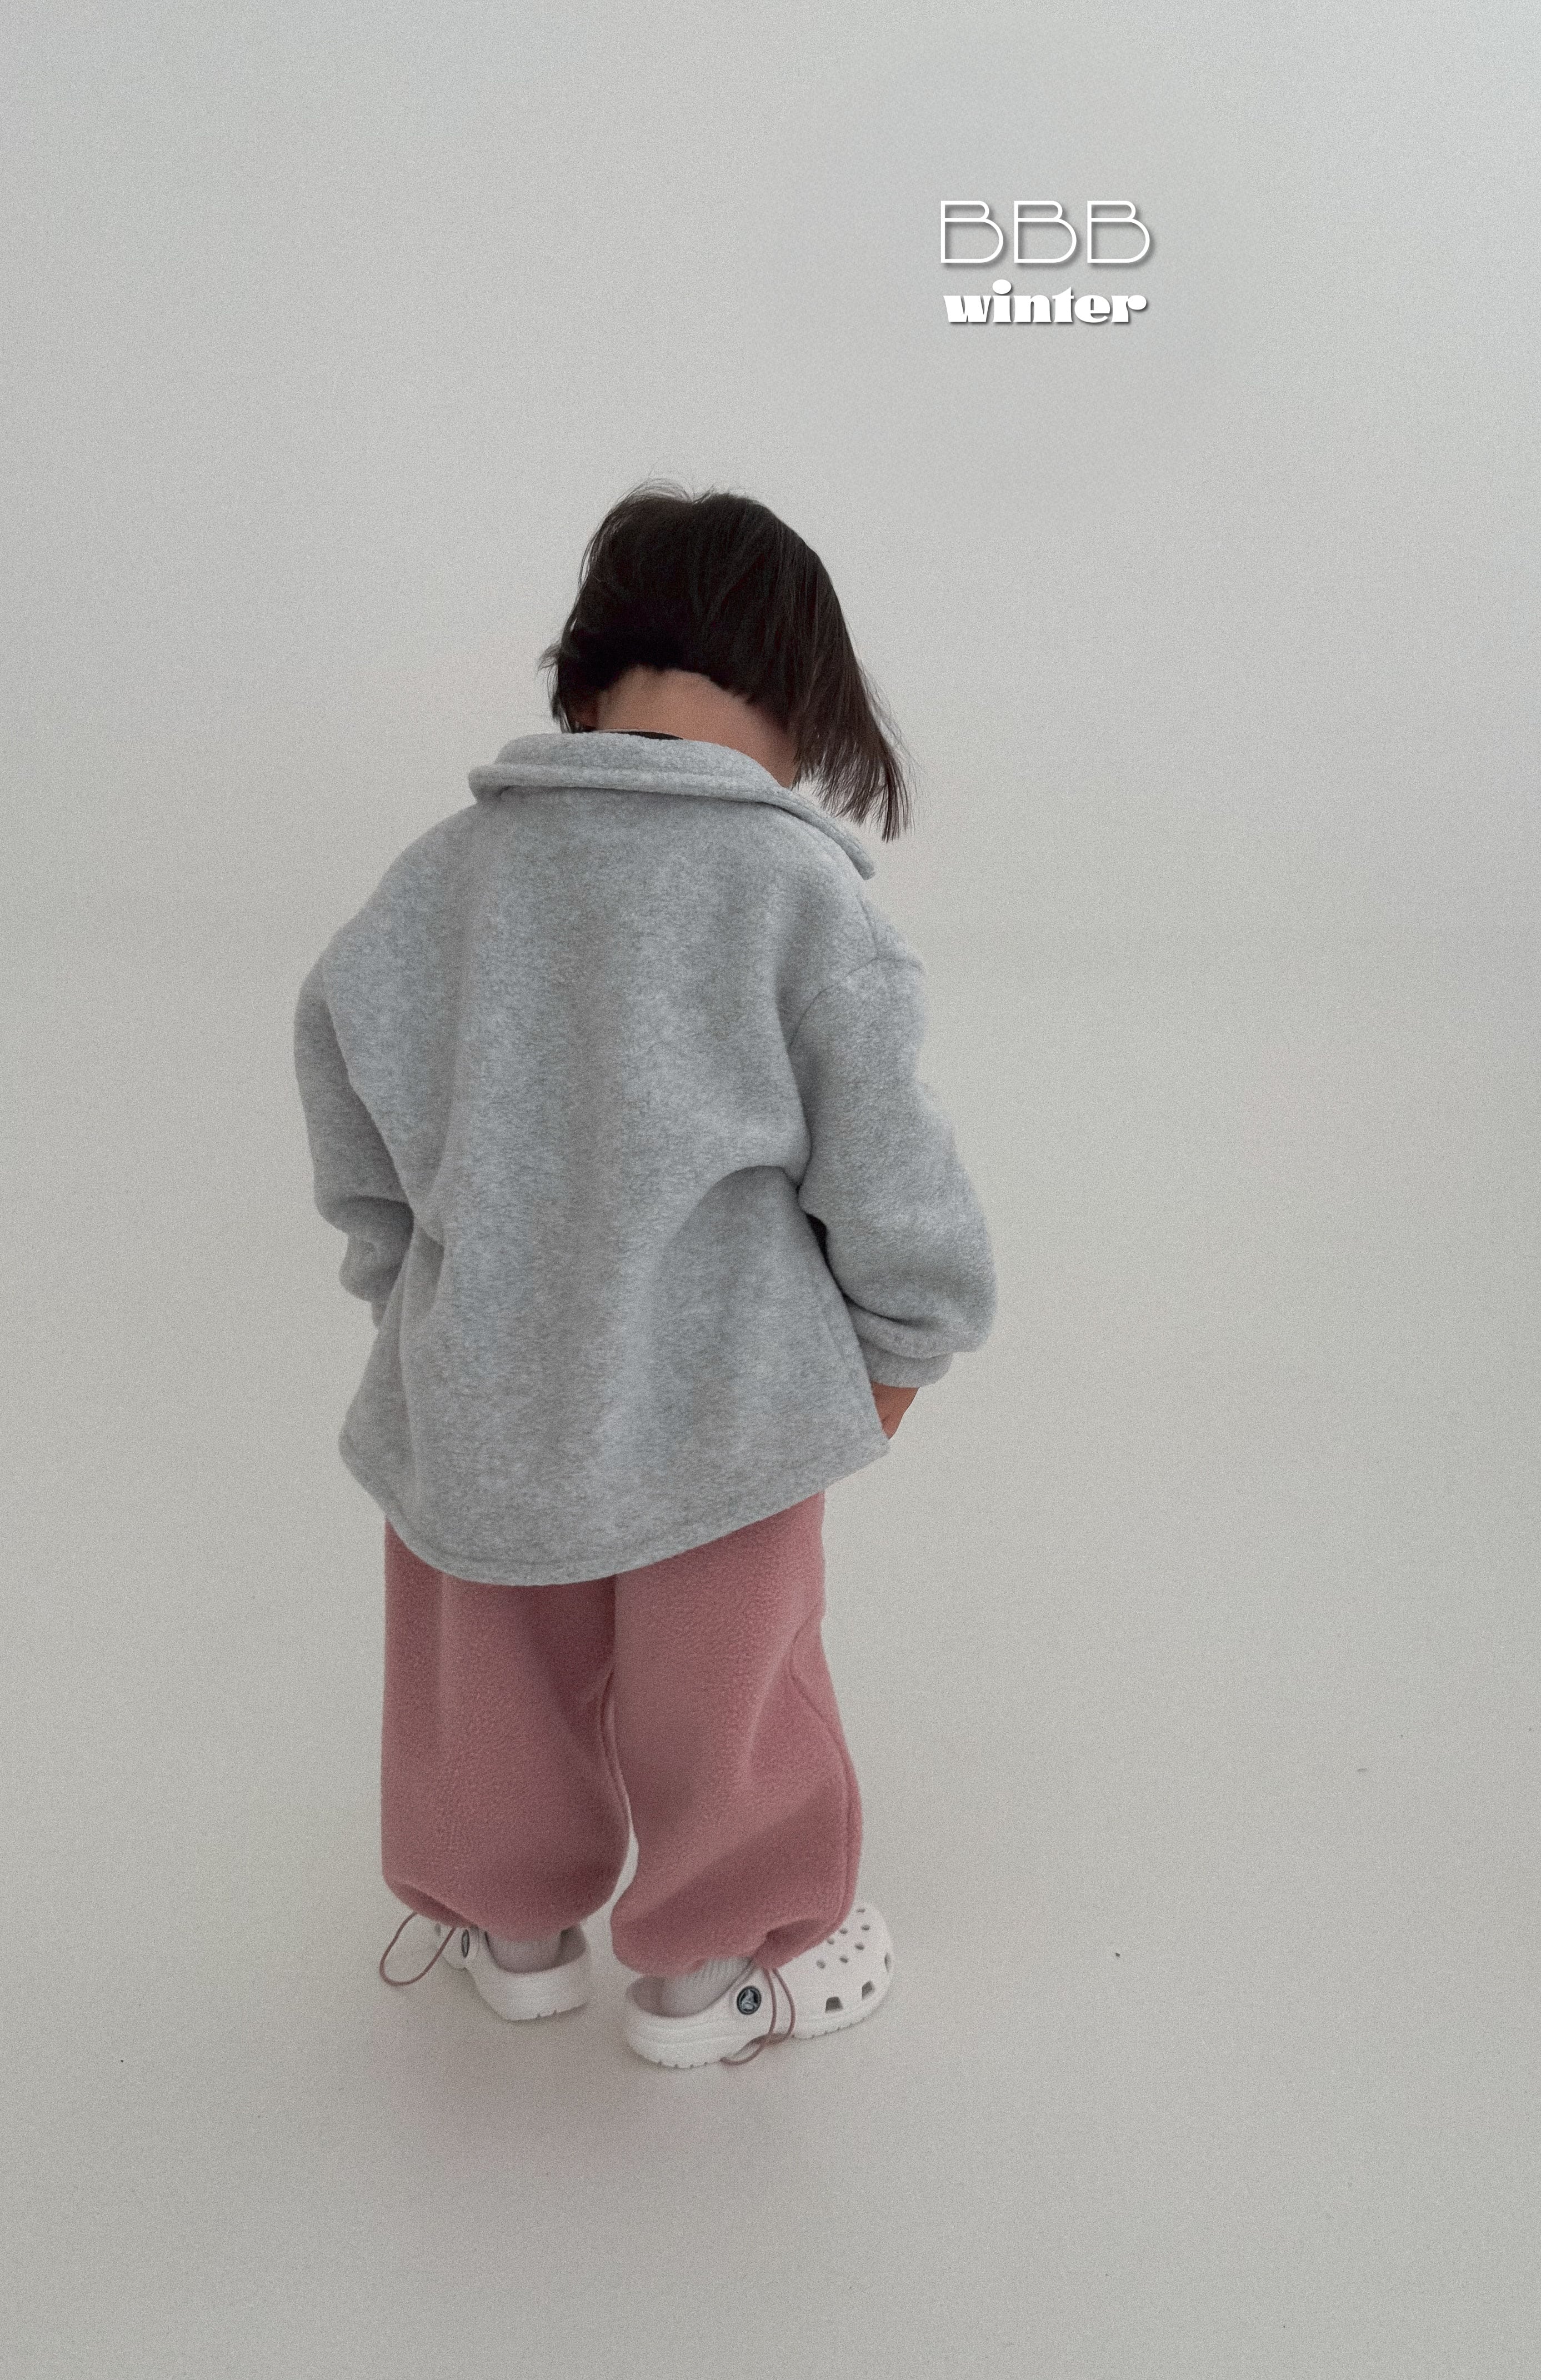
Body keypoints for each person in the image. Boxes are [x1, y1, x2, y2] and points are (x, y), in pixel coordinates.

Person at [292, 480, 996, 2068]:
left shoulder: (436, 879)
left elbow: (350, 1106)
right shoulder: (795, 894)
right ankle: (714, 1977)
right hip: (729, 1411)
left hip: (477, 1399)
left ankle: (512, 1935)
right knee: (726, 1702)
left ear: (587, 676)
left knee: (486, 1687)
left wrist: (412, 1295)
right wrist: (900, 1349)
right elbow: (889, 1171)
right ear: (804, 700)